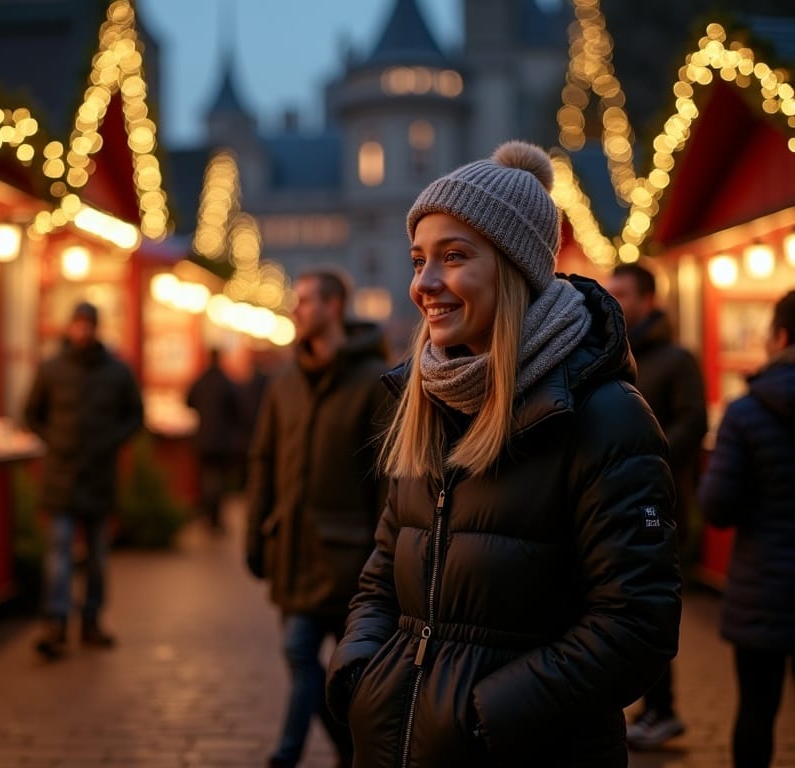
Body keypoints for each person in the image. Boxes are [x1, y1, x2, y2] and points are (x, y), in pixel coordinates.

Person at [324, 141, 682, 767]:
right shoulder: (430, 401)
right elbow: (385, 571)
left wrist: (481, 717)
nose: (424, 284)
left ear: (513, 268)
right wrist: (361, 672)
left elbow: (636, 628)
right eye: (418, 260)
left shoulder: (603, 416)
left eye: (454, 257)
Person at [246, 267, 391, 768]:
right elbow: (263, 461)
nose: (296, 310)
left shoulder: (373, 381)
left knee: (342, 669)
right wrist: (254, 535)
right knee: (300, 655)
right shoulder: (284, 383)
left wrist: (385, 555)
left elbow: (386, 478)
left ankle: (294, 754)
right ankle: (334, 751)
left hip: (351, 558)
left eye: (305, 301)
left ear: (333, 307)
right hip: (292, 549)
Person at [606, 262, 708, 749]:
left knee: (651, 608)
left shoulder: (676, 359)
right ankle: (646, 706)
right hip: (610, 508)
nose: (614, 300)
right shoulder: (607, 355)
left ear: (648, 298)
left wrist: (645, 461)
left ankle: (663, 710)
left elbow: (693, 424)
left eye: (621, 292)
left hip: (662, 506)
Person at [698, 288, 795, 768]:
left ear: (779, 335)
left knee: (757, 710)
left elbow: (716, 506)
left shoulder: (747, 412)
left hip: (765, 589)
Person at [24, 301, 144, 659]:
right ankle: (56, 622)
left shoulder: (118, 372)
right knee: (59, 553)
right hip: (60, 476)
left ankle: (91, 619)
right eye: (77, 325)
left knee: (97, 556)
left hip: (99, 475)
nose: (82, 331)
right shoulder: (51, 369)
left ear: (96, 328)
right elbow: (31, 413)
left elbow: (135, 416)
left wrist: (110, 442)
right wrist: (54, 440)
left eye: (87, 325)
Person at [186, 347, 242, 532]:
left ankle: (209, 515)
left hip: (203, 438)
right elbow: (237, 409)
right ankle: (215, 518)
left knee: (207, 477)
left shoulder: (201, 381)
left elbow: (188, 401)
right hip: (223, 439)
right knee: (217, 478)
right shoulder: (227, 382)